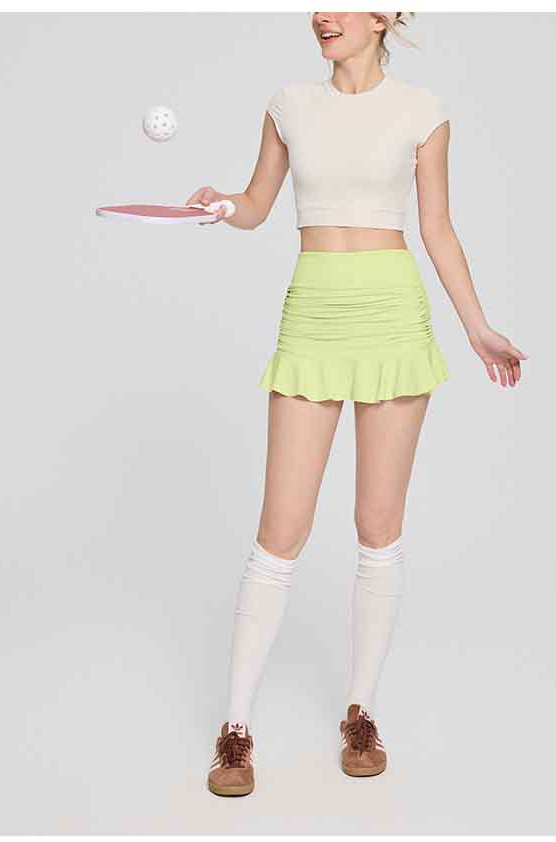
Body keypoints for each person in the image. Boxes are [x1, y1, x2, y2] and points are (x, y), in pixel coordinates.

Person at [186, 12, 528, 797]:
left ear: (382, 16)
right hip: (313, 313)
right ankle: (235, 727)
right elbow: (257, 203)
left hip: (392, 315)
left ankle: (361, 713)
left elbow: (437, 227)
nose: (322, 14)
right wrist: (221, 205)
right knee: (280, 530)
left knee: (378, 527)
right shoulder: (288, 104)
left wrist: (476, 326)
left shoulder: (422, 111)